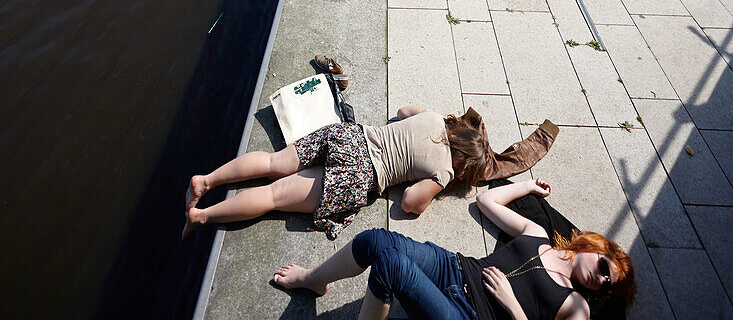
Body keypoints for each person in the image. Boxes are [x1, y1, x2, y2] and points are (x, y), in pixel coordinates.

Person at [272, 176, 635, 319]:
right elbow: (487, 202)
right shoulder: (538, 232)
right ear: (595, 247)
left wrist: (511, 304)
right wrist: (526, 186)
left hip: (471, 316)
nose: (602, 280)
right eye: (606, 269)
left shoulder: (577, 307)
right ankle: (313, 278)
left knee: (389, 266)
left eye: (609, 285)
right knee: (376, 241)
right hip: (456, 269)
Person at [184, 105, 559, 241]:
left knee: (270, 163)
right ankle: (201, 216)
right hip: (361, 174)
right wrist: (433, 187)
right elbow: (410, 204)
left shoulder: (430, 117)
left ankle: (207, 180)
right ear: (465, 169)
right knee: (272, 197)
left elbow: (401, 112)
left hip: (351, 135)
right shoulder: (445, 171)